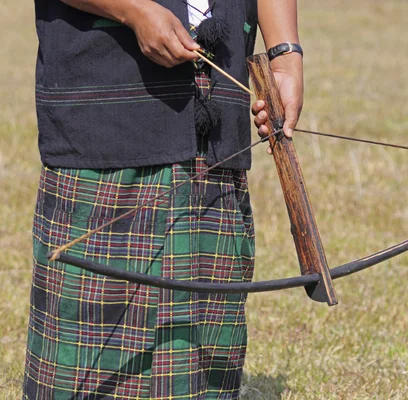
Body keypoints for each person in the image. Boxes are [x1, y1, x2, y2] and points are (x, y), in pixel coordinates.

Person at [23, 0, 303, 398]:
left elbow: (282, 47)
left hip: (216, 135)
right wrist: (133, 10)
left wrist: (284, 57)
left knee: (201, 371)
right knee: (87, 373)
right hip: (106, 119)